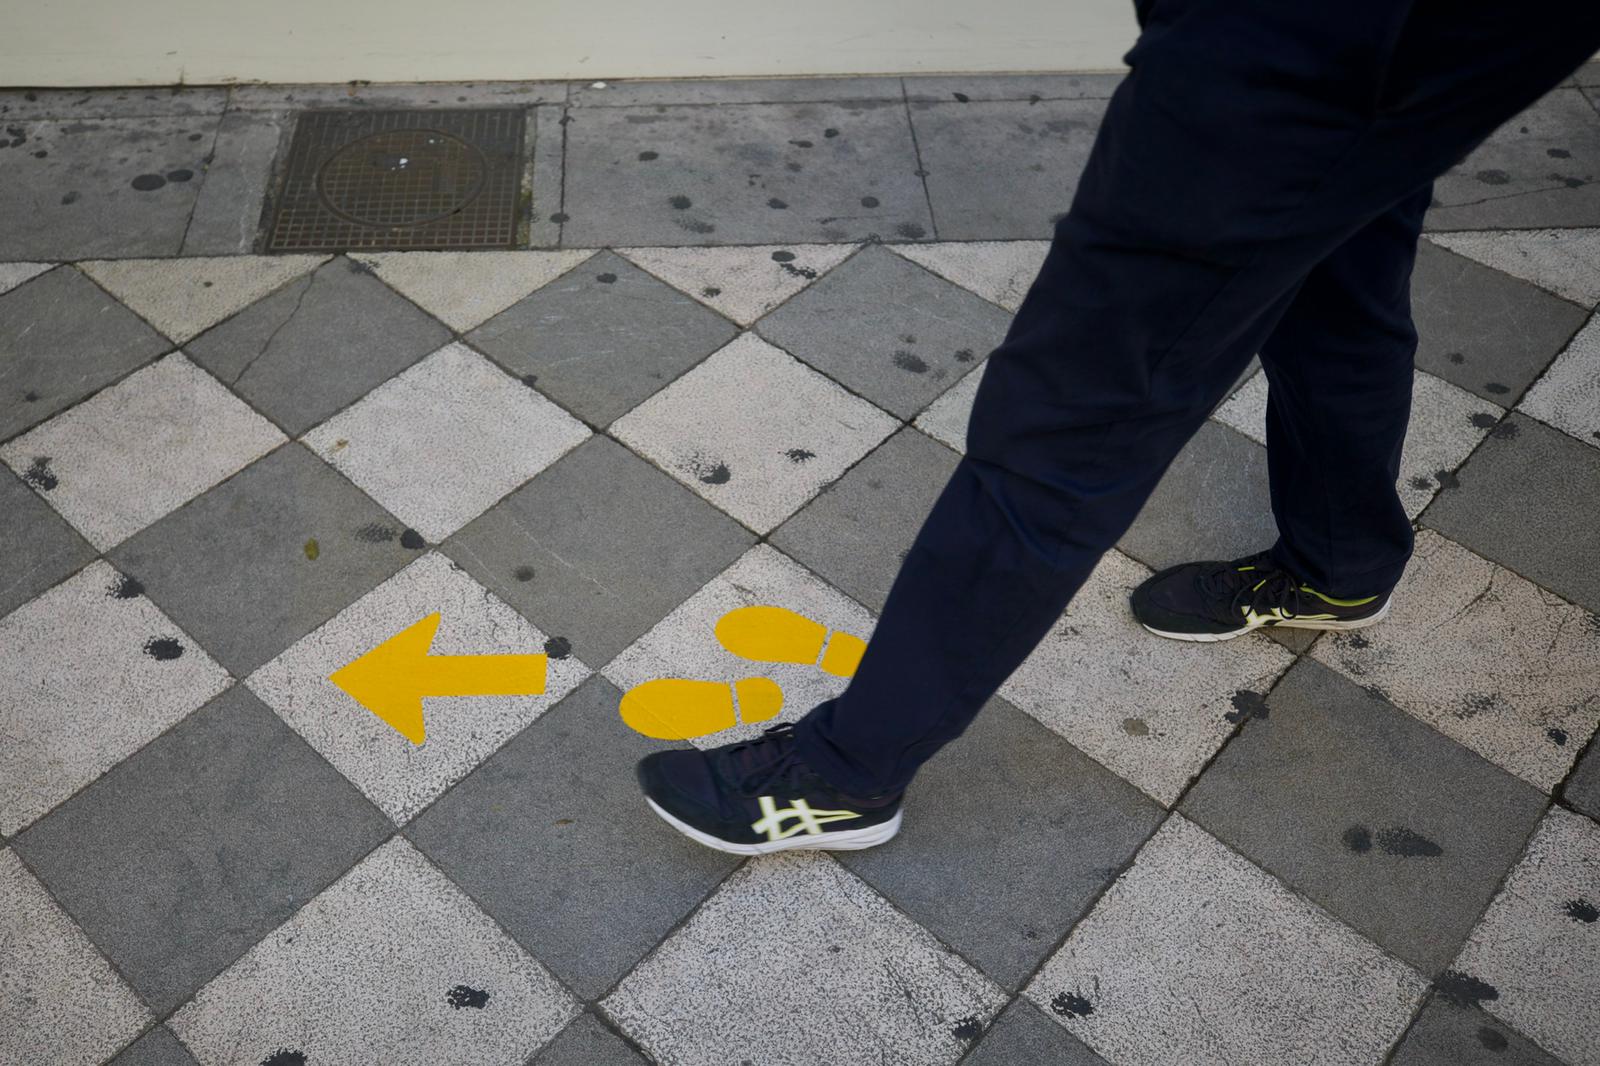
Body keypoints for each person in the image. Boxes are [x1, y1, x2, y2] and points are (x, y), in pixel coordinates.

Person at [635, 0, 1600, 854]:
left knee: (1075, 407)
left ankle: (845, 775)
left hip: (1318, 32)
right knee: (1342, 274)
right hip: (1427, 32)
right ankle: (1340, 565)